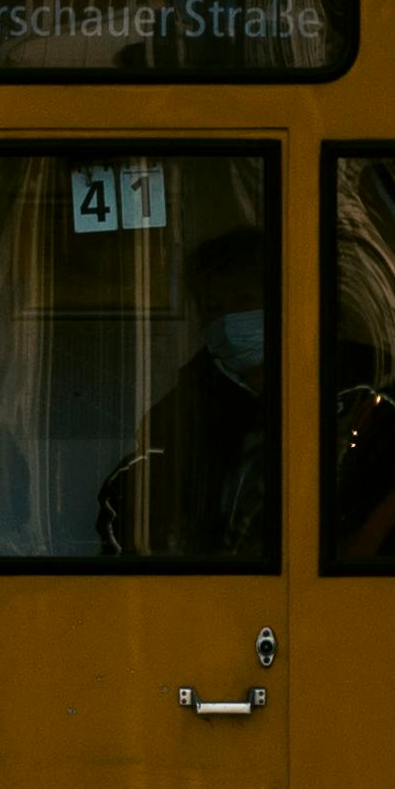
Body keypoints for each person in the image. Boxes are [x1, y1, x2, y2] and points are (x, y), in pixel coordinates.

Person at [98, 222, 277, 563]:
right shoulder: (177, 416)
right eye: (213, 307)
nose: (228, 319)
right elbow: (127, 517)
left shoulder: (354, 394)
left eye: (242, 300)